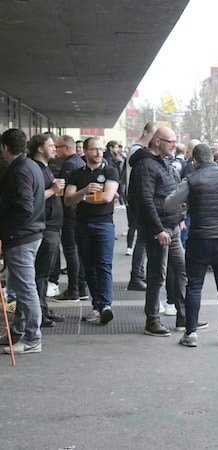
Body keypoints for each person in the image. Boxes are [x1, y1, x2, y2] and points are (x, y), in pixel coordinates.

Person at [164, 144, 218, 347]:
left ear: (195, 161)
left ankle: (191, 333)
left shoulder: (192, 179)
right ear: (213, 157)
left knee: (194, 286)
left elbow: (169, 203)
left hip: (199, 239)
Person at [129, 127, 198, 336]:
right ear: (157, 141)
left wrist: (180, 218)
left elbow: (172, 191)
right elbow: (145, 200)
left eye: (175, 141)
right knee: (157, 274)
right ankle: (152, 319)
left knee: (181, 270)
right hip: (160, 228)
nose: (174, 145)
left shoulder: (163, 163)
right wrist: (159, 229)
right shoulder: (145, 165)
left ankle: (184, 317)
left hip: (172, 226)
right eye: (171, 141)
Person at [64, 137, 119, 324]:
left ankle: (106, 305)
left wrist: (83, 198)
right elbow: (68, 200)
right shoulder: (76, 174)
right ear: (85, 151)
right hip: (82, 224)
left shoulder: (110, 170)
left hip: (104, 224)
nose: (98, 153)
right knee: (88, 267)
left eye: (100, 149)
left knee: (103, 265)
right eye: (94, 149)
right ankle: (96, 306)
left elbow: (107, 197)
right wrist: (84, 191)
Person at [0, 129, 45, 354]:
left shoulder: (19, 170)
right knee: (21, 287)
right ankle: (17, 332)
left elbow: (23, 207)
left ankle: (31, 338)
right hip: (28, 235)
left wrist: (5, 231)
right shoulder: (31, 166)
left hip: (20, 237)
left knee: (25, 289)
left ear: (5, 148)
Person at [27, 134, 65, 328]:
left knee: (47, 271)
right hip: (45, 226)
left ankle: (43, 307)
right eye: (50, 145)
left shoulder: (46, 168)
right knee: (41, 271)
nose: (54, 149)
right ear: (40, 148)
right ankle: (39, 311)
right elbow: (32, 198)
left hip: (53, 226)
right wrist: (53, 189)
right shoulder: (34, 169)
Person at [51, 135, 88, 302]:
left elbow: (65, 193)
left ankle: (74, 289)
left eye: (57, 147)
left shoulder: (69, 164)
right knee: (77, 253)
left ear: (66, 148)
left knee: (71, 252)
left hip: (70, 215)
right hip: (78, 214)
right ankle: (80, 287)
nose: (55, 151)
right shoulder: (79, 163)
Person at [125, 122, 156, 288]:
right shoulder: (139, 153)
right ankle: (137, 275)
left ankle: (138, 275)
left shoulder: (136, 152)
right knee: (143, 239)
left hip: (136, 199)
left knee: (142, 239)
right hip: (139, 201)